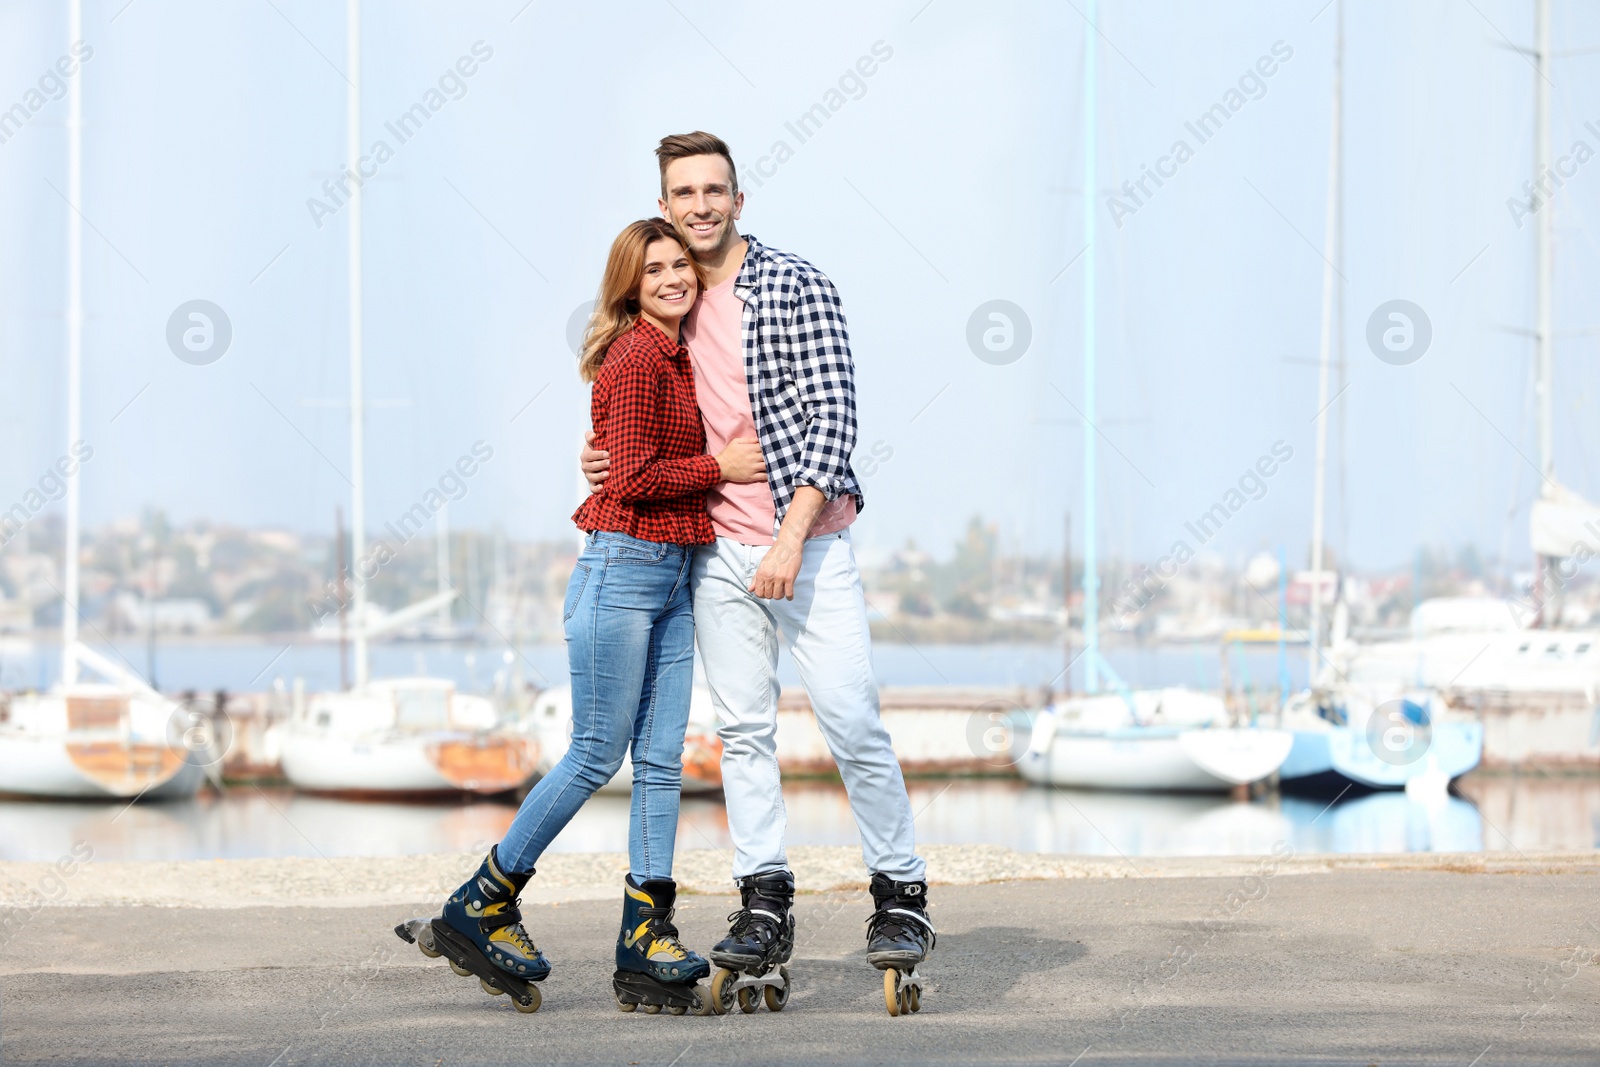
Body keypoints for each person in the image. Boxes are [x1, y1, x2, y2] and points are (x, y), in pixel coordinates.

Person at [582, 132, 935, 1015]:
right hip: (712, 549)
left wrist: (788, 538)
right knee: (742, 730)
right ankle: (763, 900)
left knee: (852, 719)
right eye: (682, 192)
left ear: (740, 199)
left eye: (714, 189)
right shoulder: (668, 304)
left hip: (805, 545)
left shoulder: (794, 284)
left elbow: (832, 420)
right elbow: (641, 422)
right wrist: (600, 460)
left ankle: (900, 892)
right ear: (664, 205)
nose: (699, 205)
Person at [408, 218, 766, 1016]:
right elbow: (632, 475)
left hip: (671, 572)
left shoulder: (678, 353)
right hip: (622, 568)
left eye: (682, 265)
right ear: (630, 286)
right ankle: (484, 897)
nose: (674, 277)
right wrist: (722, 467)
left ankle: (646, 933)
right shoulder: (638, 356)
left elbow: (622, 453)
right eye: (656, 269)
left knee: (664, 760)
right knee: (598, 750)